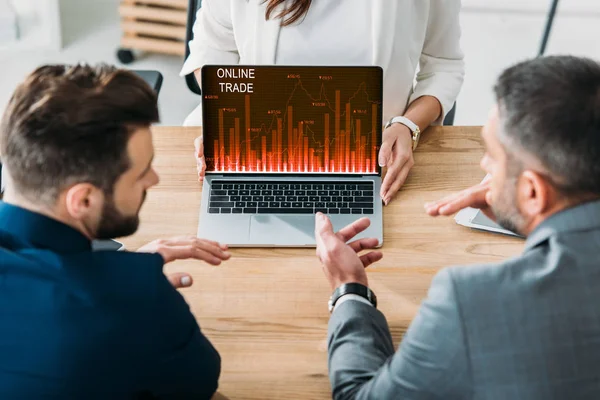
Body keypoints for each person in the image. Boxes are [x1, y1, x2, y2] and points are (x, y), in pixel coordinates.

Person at [314, 55, 600, 399]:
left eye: (493, 156)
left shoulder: (471, 301)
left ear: (533, 191)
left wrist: (350, 290)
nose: (483, 164)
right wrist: (527, 215)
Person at [0, 64, 232, 399]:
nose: (154, 179)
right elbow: (200, 383)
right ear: (84, 199)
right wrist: (134, 290)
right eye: (141, 173)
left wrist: (117, 274)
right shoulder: (135, 299)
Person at [181, 0, 465, 204]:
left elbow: (443, 65)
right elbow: (211, 50)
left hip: (376, 162)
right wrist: (229, 115)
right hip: (259, 153)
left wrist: (407, 125)